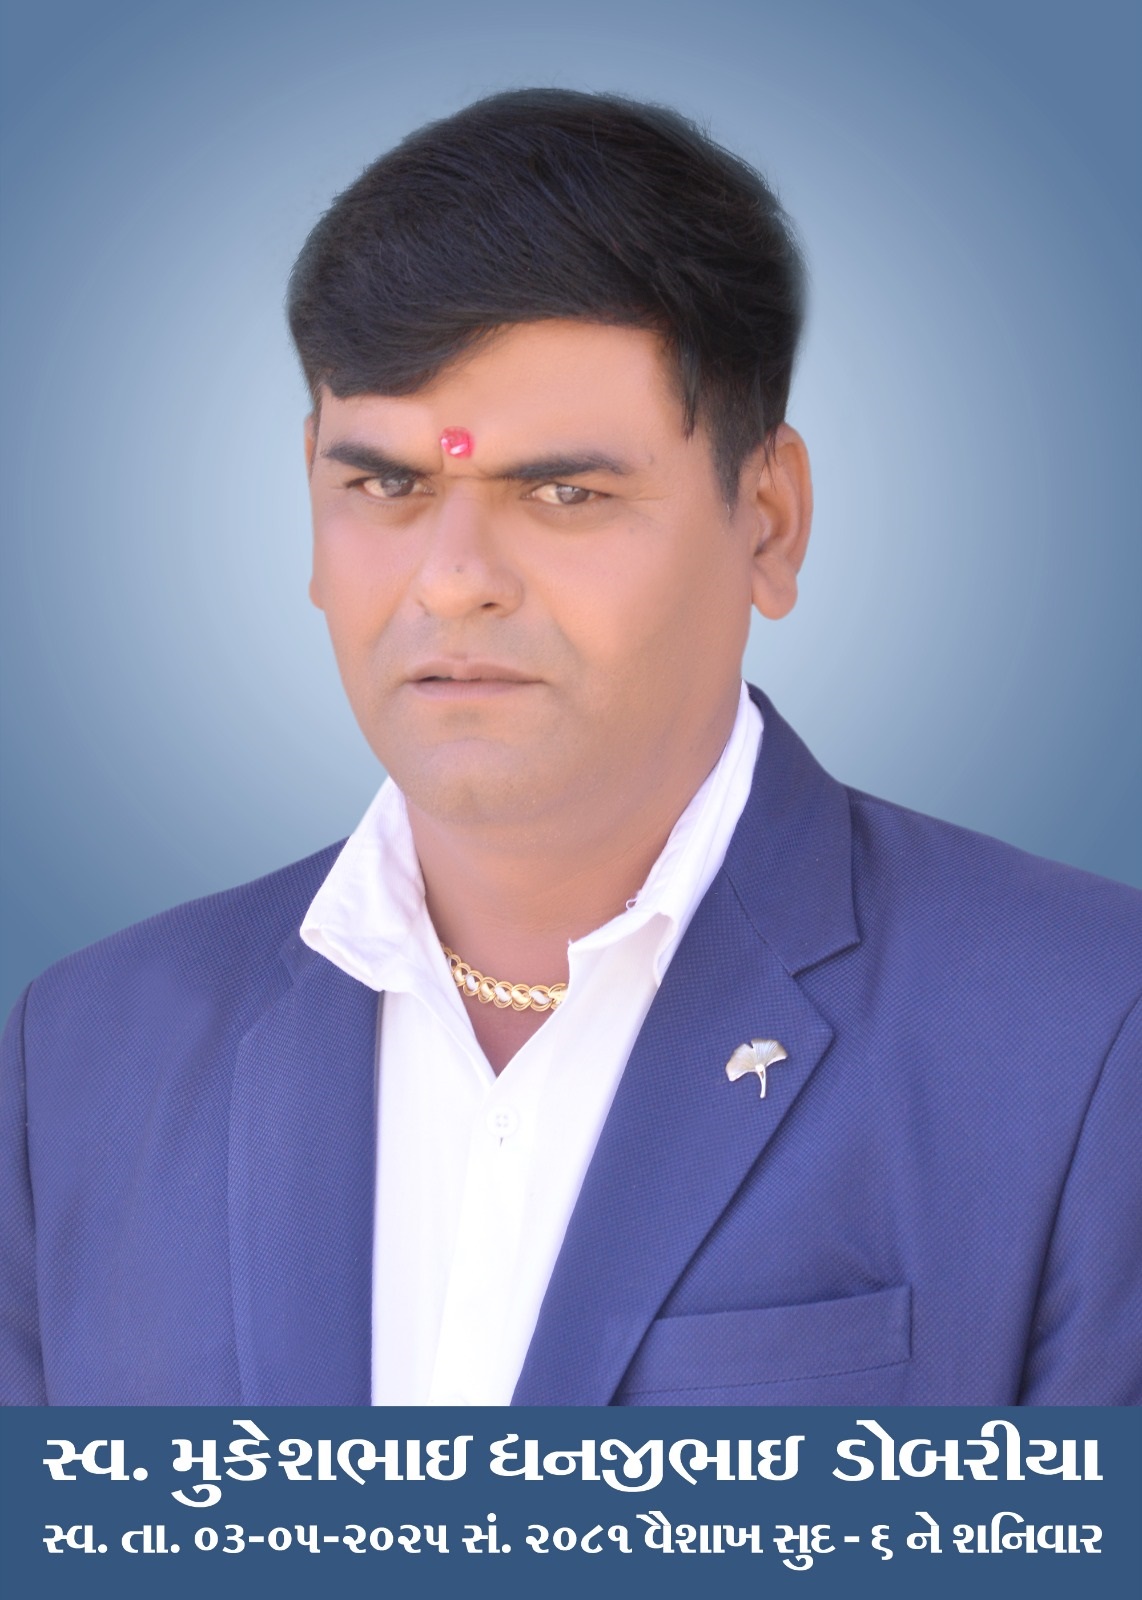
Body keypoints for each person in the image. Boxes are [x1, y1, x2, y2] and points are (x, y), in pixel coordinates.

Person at [2, 89, 1139, 1408]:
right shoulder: (88, 1053)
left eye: (563, 492)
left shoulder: (1084, 1030)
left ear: (768, 520)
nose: (452, 580)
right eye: (387, 485)